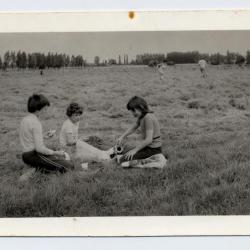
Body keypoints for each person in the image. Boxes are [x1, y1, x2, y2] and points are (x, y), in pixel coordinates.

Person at [20, 94, 74, 176]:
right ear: (38, 109)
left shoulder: (25, 119)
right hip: (33, 155)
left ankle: (37, 167)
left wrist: (43, 136)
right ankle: (33, 171)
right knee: (69, 167)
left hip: (25, 155)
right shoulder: (35, 123)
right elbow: (40, 148)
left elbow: (29, 137)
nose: (46, 112)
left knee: (53, 155)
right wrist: (55, 153)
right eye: (45, 109)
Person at [117, 96, 167, 168]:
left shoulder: (148, 118)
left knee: (123, 160)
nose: (133, 113)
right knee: (126, 150)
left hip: (153, 150)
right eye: (131, 111)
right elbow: (133, 127)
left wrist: (134, 150)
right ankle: (146, 160)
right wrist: (122, 136)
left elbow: (149, 140)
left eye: (133, 111)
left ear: (141, 107)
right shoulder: (142, 117)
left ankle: (154, 160)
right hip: (147, 147)